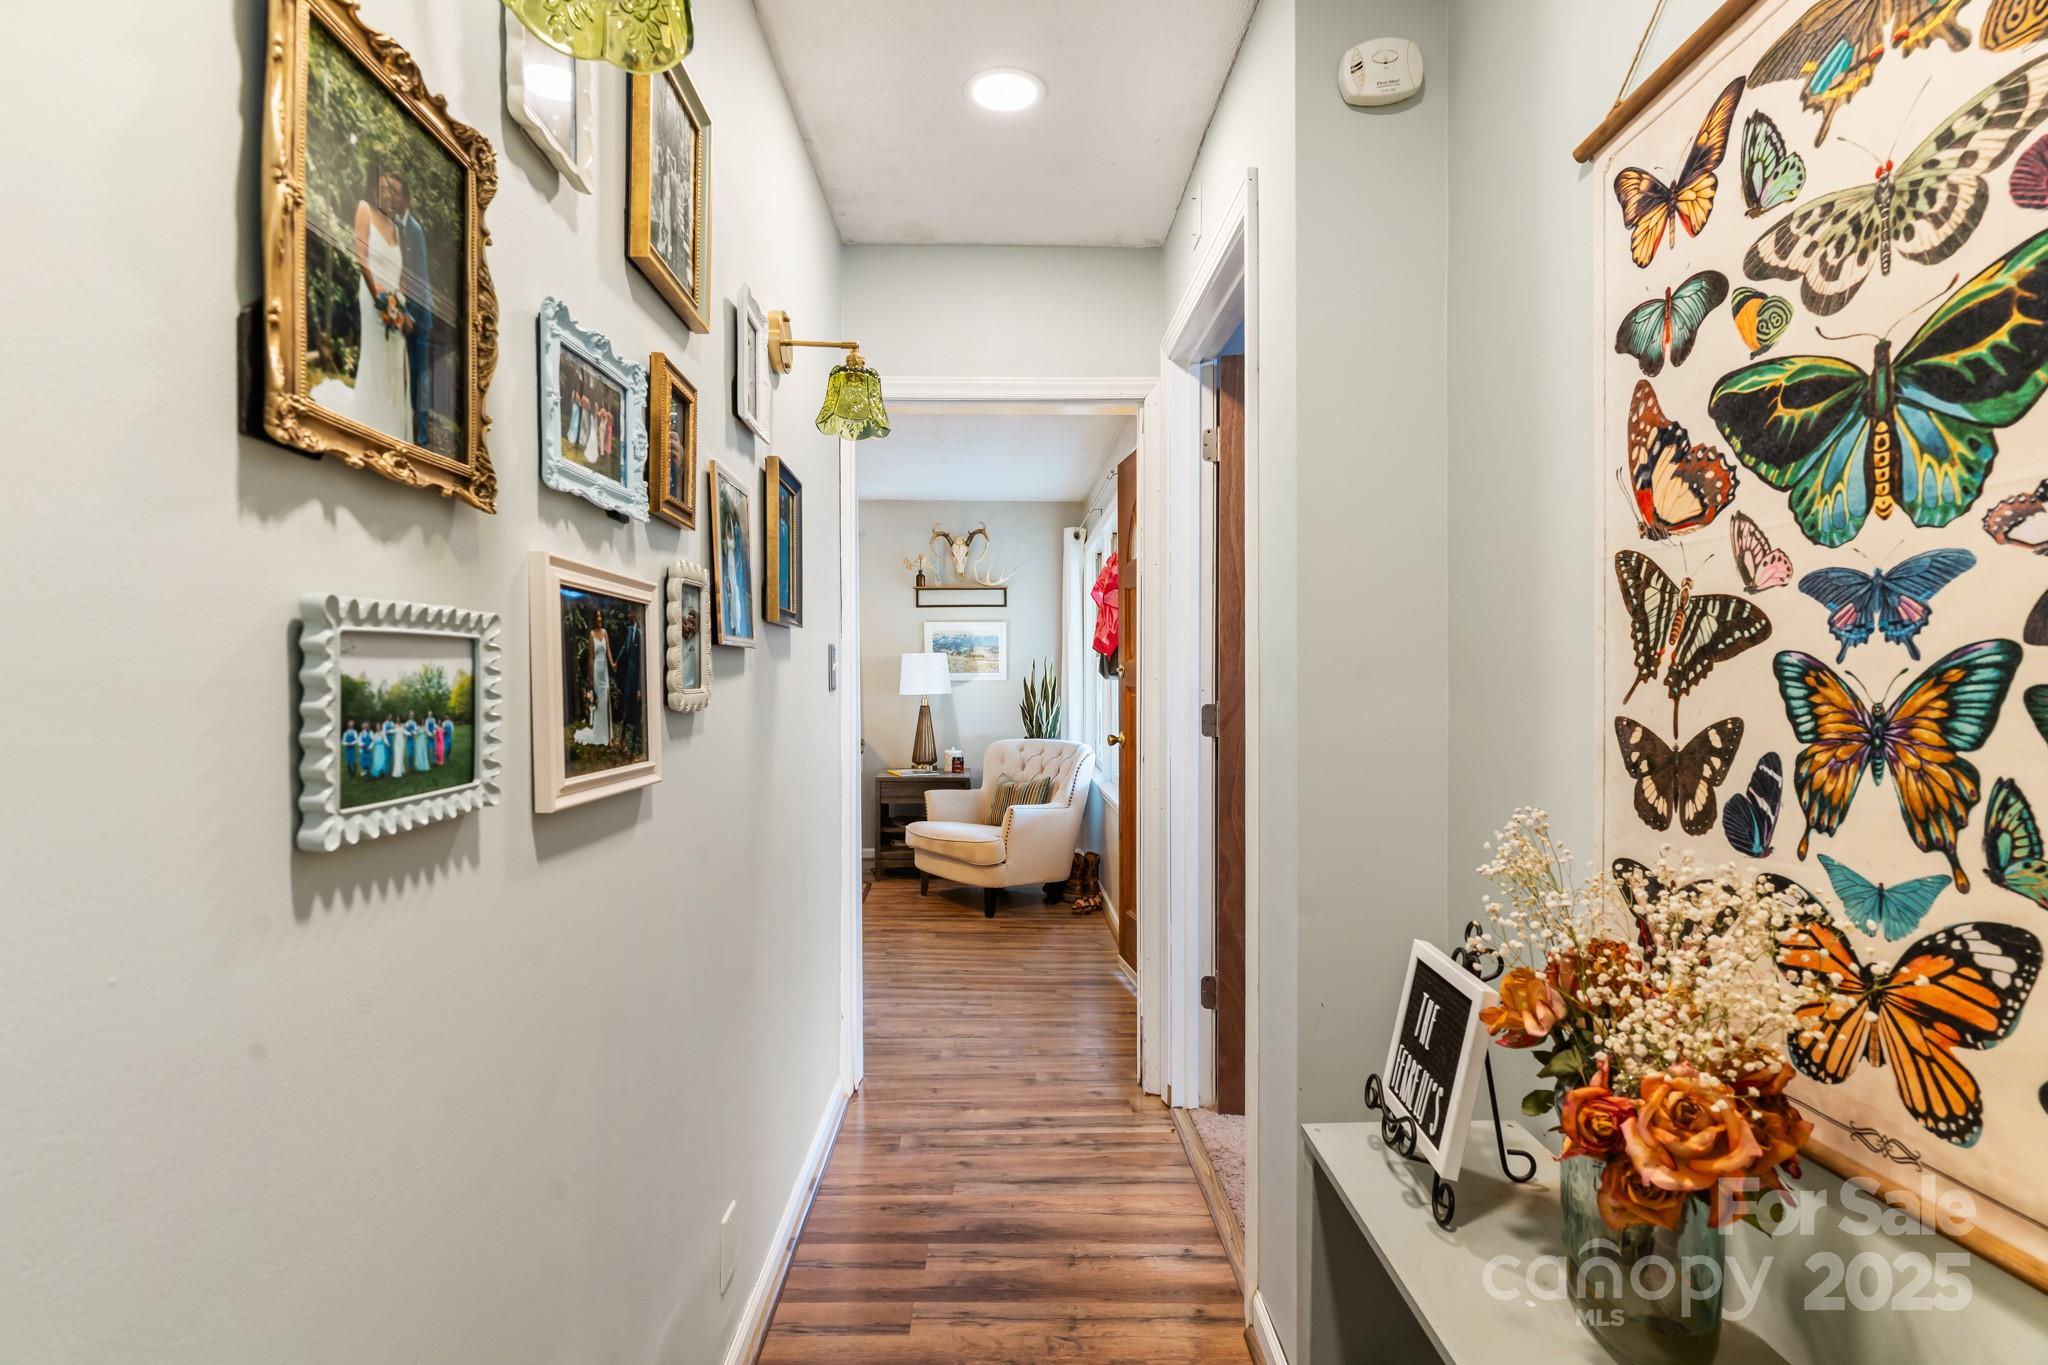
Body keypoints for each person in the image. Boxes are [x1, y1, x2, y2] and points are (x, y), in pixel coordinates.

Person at [321, 162, 412, 441]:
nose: (387, 193)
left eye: (393, 190)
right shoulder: (365, 210)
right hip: (373, 297)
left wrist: (402, 310)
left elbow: (402, 274)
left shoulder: (397, 228)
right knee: (377, 355)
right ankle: (371, 420)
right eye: (383, 188)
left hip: (395, 302)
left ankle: (391, 428)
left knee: (395, 362)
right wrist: (382, 302)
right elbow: (362, 257)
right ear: (376, 189)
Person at [391, 173, 435, 449]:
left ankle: (421, 435)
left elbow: (417, 275)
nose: (391, 196)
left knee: (419, 374)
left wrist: (410, 314)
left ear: (405, 198)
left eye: (396, 192)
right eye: (388, 191)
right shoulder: (394, 225)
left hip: (419, 313)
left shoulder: (414, 230)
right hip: (403, 308)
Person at [573, 616, 618, 746]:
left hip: (605, 672)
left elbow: (608, 650)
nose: (599, 618)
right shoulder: (592, 634)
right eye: (597, 616)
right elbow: (591, 657)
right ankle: (599, 734)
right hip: (596, 672)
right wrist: (590, 678)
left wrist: (612, 664)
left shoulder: (605, 632)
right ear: (594, 619)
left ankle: (608, 736)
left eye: (600, 616)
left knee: (606, 702)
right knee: (599, 704)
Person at [389, 714, 407, 779]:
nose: (398, 720)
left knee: (401, 755)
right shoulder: (394, 725)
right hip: (396, 743)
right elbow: (393, 731)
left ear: (400, 719)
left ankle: (402, 769)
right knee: (397, 756)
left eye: (399, 718)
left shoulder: (403, 725)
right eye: (397, 719)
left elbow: (405, 732)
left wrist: (411, 733)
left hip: (402, 742)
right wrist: (387, 731)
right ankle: (397, 771)